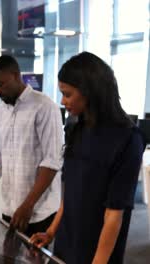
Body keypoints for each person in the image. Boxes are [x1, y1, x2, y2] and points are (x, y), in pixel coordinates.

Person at [30, 52, 145, 263]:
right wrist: (51, 231)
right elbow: (70, 195)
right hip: (66, 245)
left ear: (89, 92)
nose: (63, 102)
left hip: (97, 250)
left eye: (68, 94)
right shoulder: (77, 130)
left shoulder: (128, 139)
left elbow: (114, 214)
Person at [0, 55, 63, 238]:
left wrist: (28, 205)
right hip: (10, 207)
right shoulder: (0, 112)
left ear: (16, 76)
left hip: (38, 210)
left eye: (1, 84)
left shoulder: (45, 107)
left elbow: (52, 162)